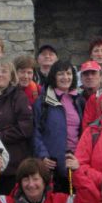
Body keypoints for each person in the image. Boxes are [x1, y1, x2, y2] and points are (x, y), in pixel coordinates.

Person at [0, 59, 34, 192]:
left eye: (4, 71)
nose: (0, 74)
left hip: (12, 163)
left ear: (11, 76)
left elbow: (26, 127)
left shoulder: (19, 96)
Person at [33, 59, 85, 191]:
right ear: (54, 76)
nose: (65, 77)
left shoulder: (79, 100)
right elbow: (35, 131)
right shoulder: (43, 101)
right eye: (61, 74)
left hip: (75, 160)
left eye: (68, 73)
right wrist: (43, 155)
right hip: (52, 164)